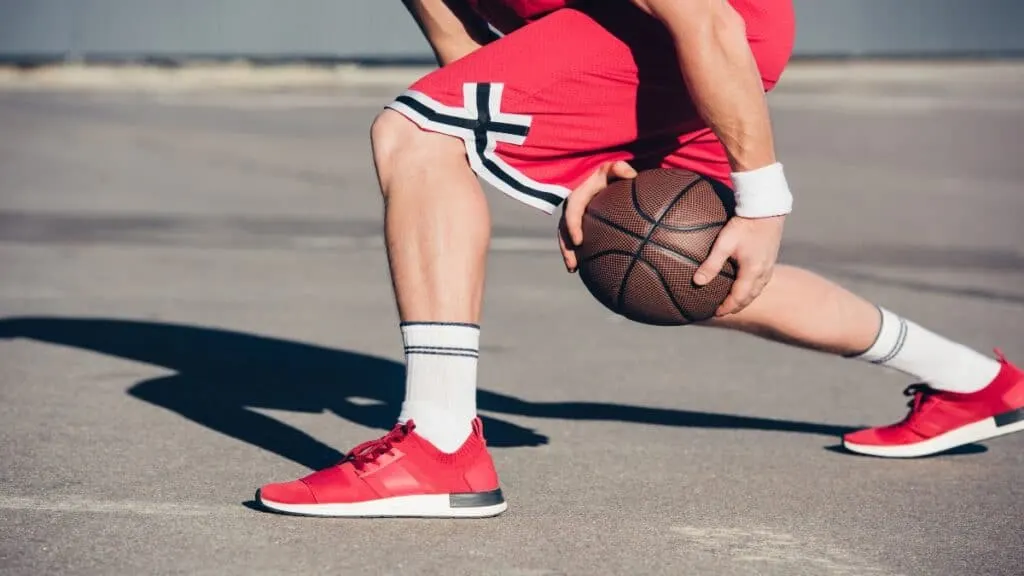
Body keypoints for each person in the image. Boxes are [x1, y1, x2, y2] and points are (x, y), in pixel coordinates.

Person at [255, 0, 1024, 518]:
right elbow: (466, 63)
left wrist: (762, 200)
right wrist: (561, 167)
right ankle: (974, 382)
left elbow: (704, 18)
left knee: (414, 133)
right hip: (618, 36)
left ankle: (440, 443)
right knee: (695, 271)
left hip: (711, 26)